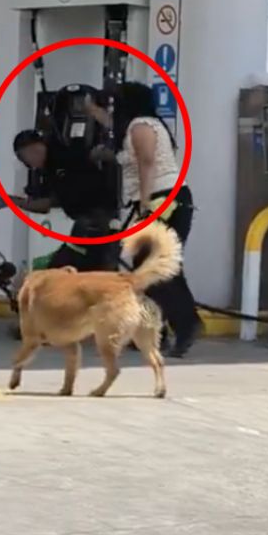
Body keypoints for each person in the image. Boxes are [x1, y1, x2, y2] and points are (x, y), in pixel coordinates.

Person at [85, 82, 200, 358]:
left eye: (115, 102)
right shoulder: (139, 124)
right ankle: (175, 327)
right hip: (163, 201)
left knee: (156, 268)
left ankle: (185, 325)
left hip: (163, 202)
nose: (112, 108)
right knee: (154, 268)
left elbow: (146, 162)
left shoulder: (141, 126)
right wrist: (92, 110)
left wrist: (146, 206)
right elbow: (117, 129)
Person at [2, 129, 120, 272]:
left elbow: (94, 154)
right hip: (86, 221)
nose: (29, 163)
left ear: (33, 150)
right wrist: (15, 202)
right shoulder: (50, 169)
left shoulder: (63, 154)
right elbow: (47, 204)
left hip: (95, 219)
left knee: (62, 270)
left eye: (25, 157)